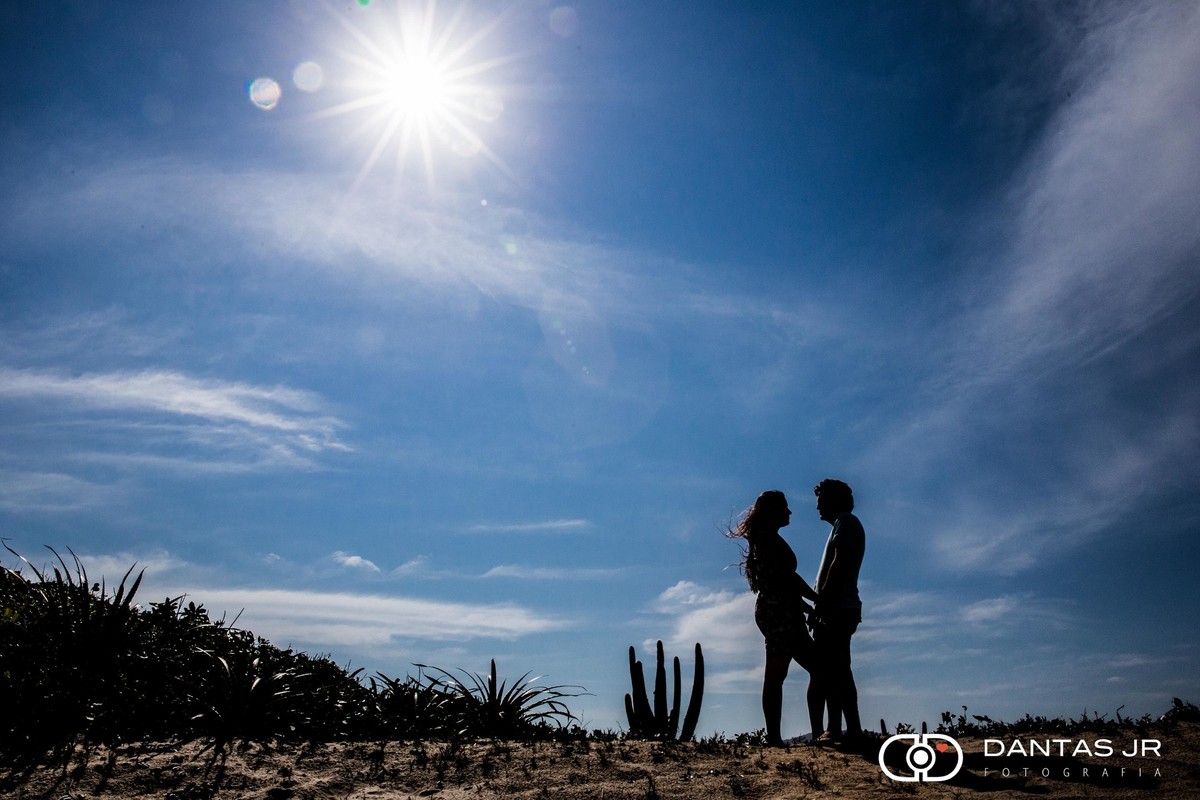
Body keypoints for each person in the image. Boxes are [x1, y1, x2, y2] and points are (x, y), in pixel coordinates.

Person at [728, 490, 823, 746]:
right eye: (785, 508)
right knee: (807, 669)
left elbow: (784, 583)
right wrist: (815, 600)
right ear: (773, 512)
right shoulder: (766, 540)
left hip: (781, 609)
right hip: (778, 611)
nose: (790, 513)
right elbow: (786, 579)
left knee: (781, 672)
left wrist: (809, 605)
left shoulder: (768, 539)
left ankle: (783, 736)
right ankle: (803, 734)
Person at [811, 478, 865, 747]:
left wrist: (823, 602)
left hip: (838, 608)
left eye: (822, 499)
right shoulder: (841, 525)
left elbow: (839, 561)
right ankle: (845, 728)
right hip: (838, 607)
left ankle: (840, 729)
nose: (818, 505)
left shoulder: (846, 522)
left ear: (836, 500)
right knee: (839, 668)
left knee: (837, 669)